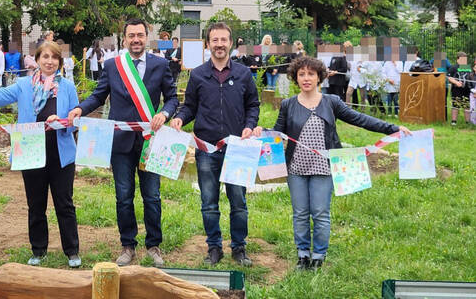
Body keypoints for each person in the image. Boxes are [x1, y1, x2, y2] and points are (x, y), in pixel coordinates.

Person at [0, 41, 82, 268]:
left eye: (54, 58)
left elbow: (75, 119)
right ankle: (38, 250)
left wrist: (64, 122)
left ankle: (72, 251)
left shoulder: (67, 86)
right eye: (45, 57)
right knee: (36, 204)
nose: (50, 61)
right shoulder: (23, 85)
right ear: (37, 60)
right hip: (30, 151)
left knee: (64, 204)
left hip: (61, 152)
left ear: (59, 62)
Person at [273, 56, 411, 270]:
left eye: (311, 74)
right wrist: (257, 133)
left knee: (320, 212)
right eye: (302, 74)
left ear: (320, 77)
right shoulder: (288, 104)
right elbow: (276, 134)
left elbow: (360, 119)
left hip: (324, 168)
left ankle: (318, 255)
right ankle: (302, 255)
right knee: (300, 213)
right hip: (296, 168)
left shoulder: (331, 102)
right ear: (295, 78)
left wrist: (392, 128)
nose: (306, 78)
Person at [68, 18, 178, 268]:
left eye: (140, 35)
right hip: (121, 144)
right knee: (124, 197)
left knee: (152, 197)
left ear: (146, 37)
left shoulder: (161, 65)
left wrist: (165, 113)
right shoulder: (113, 65)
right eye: (131, 35)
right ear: (125, 38)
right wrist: (79, 108)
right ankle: (128, 245)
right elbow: (98, 95)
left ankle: (153, 245)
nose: (136, 39)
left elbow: (172, 98)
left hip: (151, 142)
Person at [171, 22, 261, 267]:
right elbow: (190, 106)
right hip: (206, 149)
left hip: (237, 148)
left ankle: (239, 248)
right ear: (208, 44)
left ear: (230, 43)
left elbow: (253, 105)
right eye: (215, 40)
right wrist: (180, 117)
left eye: (224, 40)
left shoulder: (242, 73)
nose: (219, 44)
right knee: (209, 203)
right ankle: (214, 247)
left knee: (238, 203)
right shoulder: (198, 74)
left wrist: (249, 125)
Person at [447, 52, 472, 125]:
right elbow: (449, 78)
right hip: (456, 90)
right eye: (463, 59)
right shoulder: (453, 67)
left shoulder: (466, 67)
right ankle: (453, 121)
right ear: (458, 59)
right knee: (455, 105)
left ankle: (467, 122)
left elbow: (470, 76)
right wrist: (456, 82)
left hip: (466, 90)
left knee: (466, 106)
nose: (465, 61)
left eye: (465, 59)